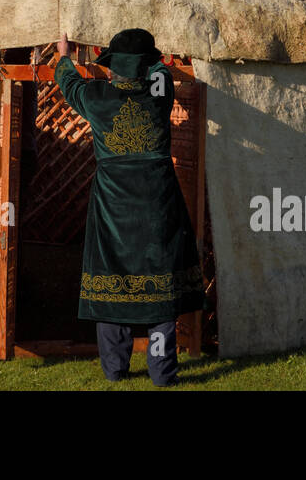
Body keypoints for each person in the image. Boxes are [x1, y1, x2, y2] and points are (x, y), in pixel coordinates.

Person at [54, 29, 205, 386]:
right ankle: (161, 372)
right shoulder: (158, 95)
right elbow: (162, 72)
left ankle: (115, 369)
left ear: (112, 68)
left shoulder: (97, 97)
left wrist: (64, 55)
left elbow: (69, 82)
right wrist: (156, 59)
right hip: (157, 203)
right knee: (161, 288)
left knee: (111, 284)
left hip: (113, 205)